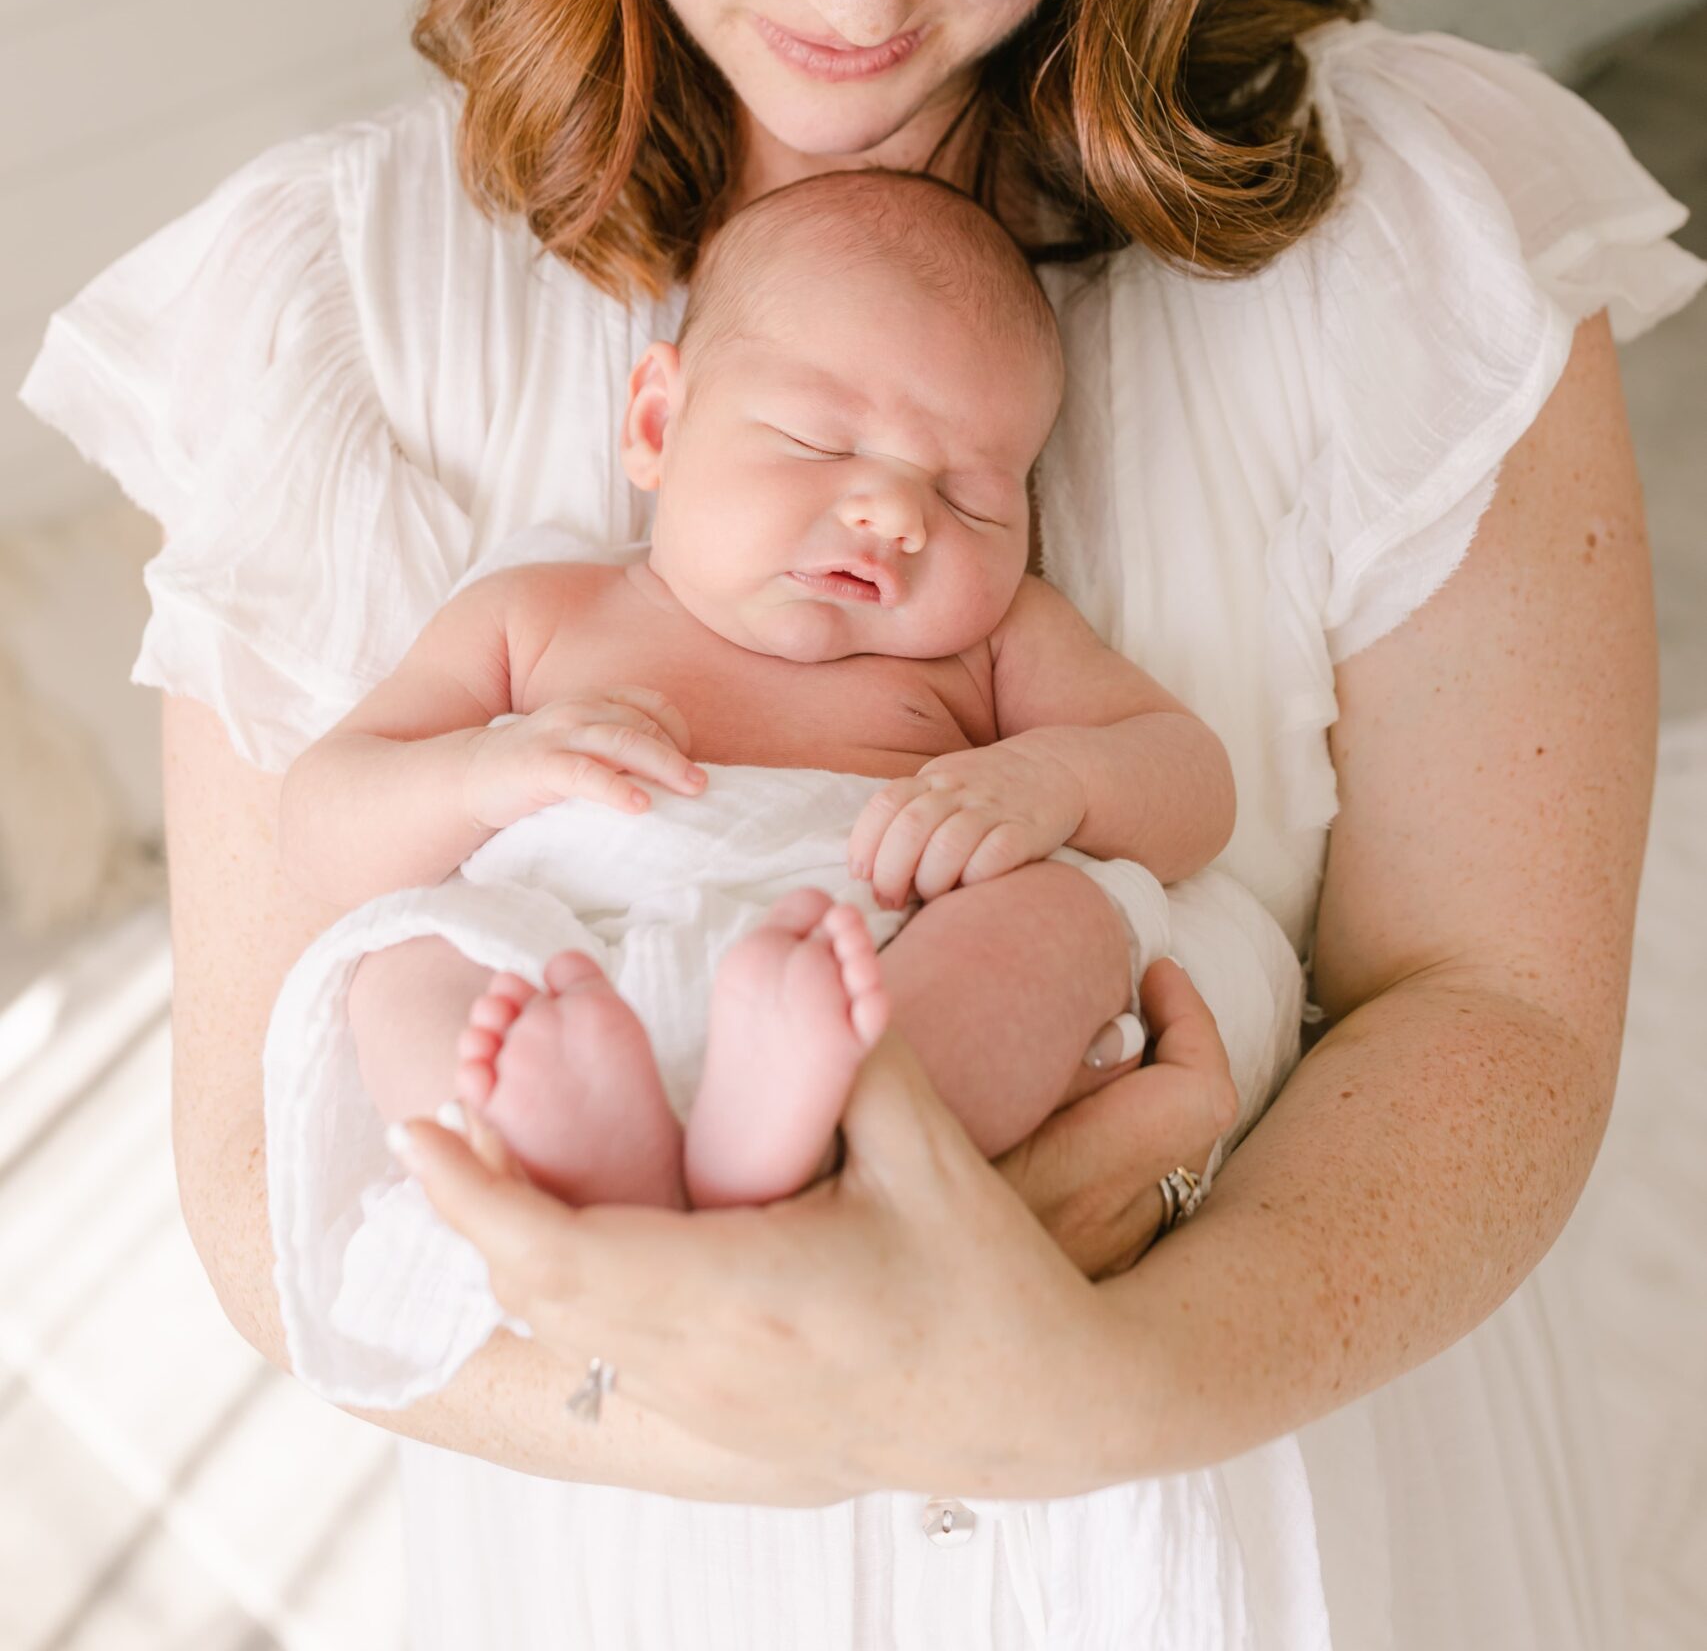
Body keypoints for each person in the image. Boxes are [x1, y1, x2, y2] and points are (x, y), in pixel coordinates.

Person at [18, 0, 1704, 1649]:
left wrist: (1085, 1392)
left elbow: (1490, 1012)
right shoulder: (330, 318)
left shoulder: (1415, 239)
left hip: (1264, 1527)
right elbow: (279, 1196)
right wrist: (755, 1390)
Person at [259, 169, 1301, 1413]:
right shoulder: (542, 614)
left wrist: (1055, 777)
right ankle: (573, 1162)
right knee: (405, 961)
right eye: (820, 441)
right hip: (575, 957)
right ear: (657, 425)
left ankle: (820, 1144)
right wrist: (486, 770)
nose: (893, 512)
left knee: (1068, 918)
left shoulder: (992, 641)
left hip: (874, 955)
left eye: (973, 491)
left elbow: (1194, 784)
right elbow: (324, 819)